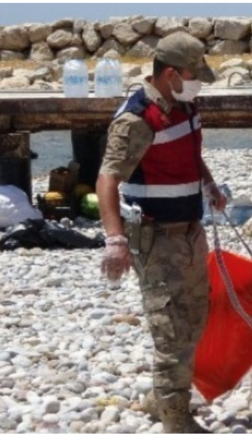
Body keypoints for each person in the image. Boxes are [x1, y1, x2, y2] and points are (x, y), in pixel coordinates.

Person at [96, 32, 226, 433]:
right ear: (170, 75)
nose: (198, 82)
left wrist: (209, 184)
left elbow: (188, 152)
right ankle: (175, 421)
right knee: (171, 331)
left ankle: (165, 396)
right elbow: (106, 179)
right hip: (157, 238)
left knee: (194, 319)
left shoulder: (184, 105)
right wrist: (115, 240)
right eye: (193, 74)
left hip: (190, 232)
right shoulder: (136, 119)